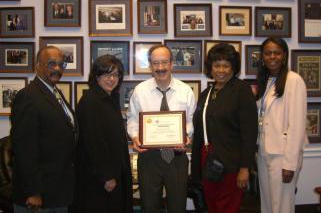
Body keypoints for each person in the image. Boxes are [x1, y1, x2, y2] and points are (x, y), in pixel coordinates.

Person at [127, 44, 196, 213]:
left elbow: (191, 120)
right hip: (149, 158)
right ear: (150, 66)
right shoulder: (140, 91)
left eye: (164, 62)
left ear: (172, 64)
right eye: (155, 63)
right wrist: (135, 137)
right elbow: (133, 118)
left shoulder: (185, 91)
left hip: (177, 157)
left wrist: (185, 137)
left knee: (178, 206)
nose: (160, 67)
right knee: (149, 206)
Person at [190, 43, 258, 213]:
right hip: (208, 160)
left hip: (232, 163)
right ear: (210, 68)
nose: (221, 70)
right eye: (217, 65)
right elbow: (201, 128)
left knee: (227, 207)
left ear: (233, 68)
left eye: (226, 65)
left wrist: (245, 168)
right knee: (212, 205)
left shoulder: (241, 90)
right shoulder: (207, 93)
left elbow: (250, 133)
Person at [10, 46, 77, 213]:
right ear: (37, 65)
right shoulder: (28, 96)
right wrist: (33, 192)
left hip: (57, 189)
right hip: (38, 197)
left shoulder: (54, 93)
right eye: (51, 64)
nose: (57, 69)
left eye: (61, 65)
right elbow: (24, 149)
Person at [74, 55, 133, 213]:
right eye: (107, 74)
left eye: (116, 75)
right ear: (96, 76)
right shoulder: (90, 102)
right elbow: (93, 142)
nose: (112, 79)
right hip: (99, 179)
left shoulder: (109, 98)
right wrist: (106, 176)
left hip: (112, 173)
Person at [256, 37, 308, 213]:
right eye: (268, 53)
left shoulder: (294, 80)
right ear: (262, 57)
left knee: (282, 206)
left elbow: (298, 126)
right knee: (268, 204)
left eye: (277, 53)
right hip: (264, 152)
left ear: (284, 55)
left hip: (283, 155)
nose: (272, 57)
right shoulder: (267, 81)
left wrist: (290, 164)